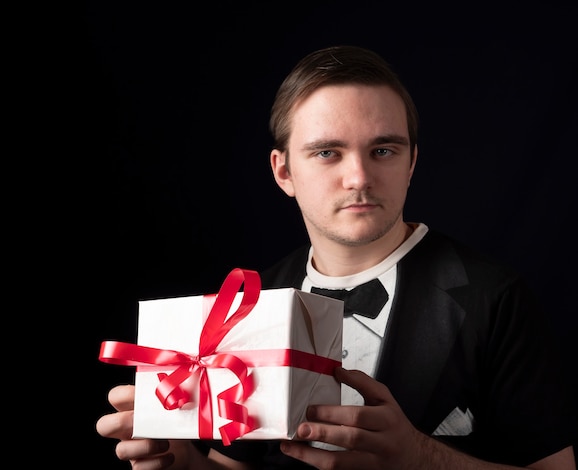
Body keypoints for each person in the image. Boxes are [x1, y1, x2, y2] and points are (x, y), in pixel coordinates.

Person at [96, 45, 577, 469]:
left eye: (383, 150)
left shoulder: (496, 298)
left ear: (411, 162)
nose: (359, 177)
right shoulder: (250, 301)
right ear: (283, 172)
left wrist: (418, 460)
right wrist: (183, 466)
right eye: (328, 153)